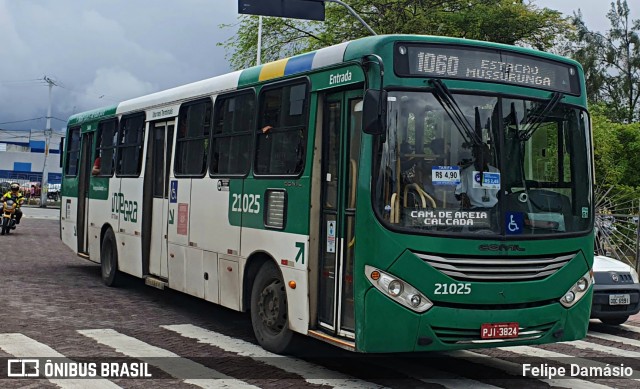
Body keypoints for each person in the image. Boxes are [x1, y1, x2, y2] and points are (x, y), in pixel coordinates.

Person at [455, 144, 499, 209]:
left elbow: (501, 193)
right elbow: (460, 193)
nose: (487, 155)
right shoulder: (466, 173)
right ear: (475, 155)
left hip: (494, 210)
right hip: (475, 210)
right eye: (482, 153)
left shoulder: (495, 171)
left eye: (487, 152)